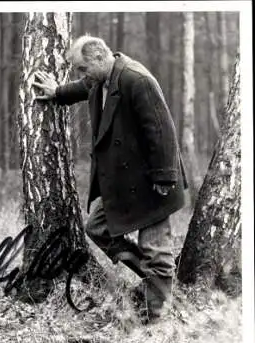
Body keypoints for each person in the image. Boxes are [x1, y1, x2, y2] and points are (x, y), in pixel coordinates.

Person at [32, 35, 188, 322]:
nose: (82, 75)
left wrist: (164, 177)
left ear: (100, 58)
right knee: (97, 228)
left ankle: (159, 320)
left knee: (155, 250)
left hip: (152, 180)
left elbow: (161, 130)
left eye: (82, 68)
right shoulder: (103, 78)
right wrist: (58, 92)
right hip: (124, 182)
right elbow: (85, 87)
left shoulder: (137, 79)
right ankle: (157, 284)